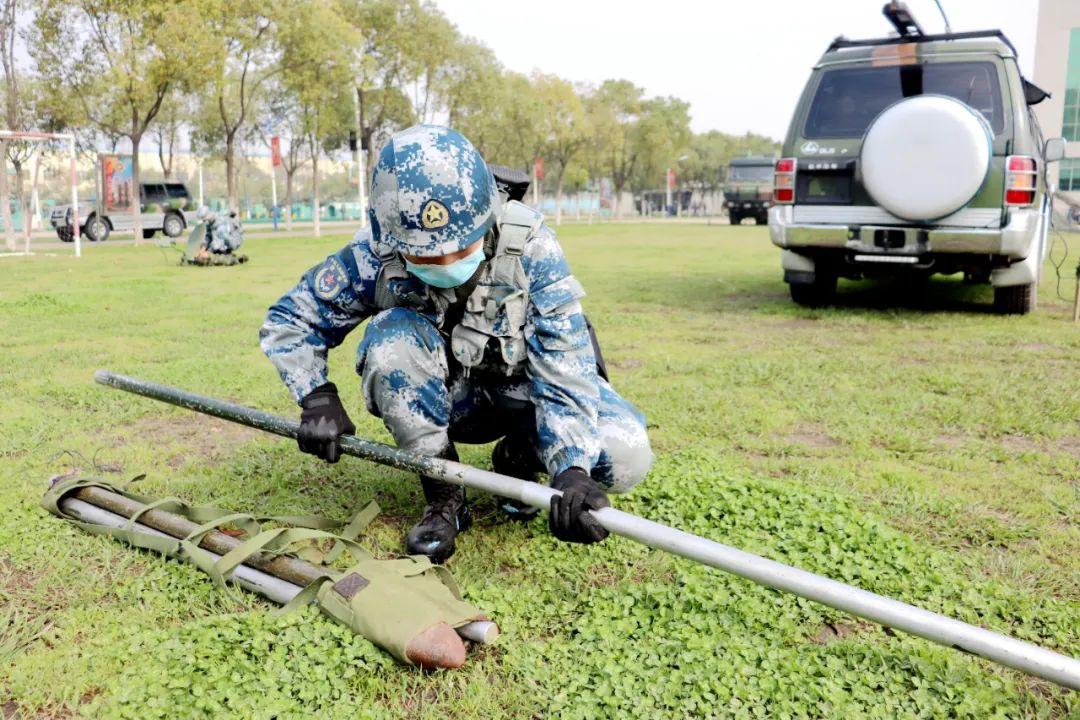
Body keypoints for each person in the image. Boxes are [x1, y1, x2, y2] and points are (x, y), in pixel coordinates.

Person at [260, 125, 653, 563]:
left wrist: (573, 467)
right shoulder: (376, 251)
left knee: (625, 455)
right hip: (453, 402)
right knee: (392, 341)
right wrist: (316, 397)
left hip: (526, 395)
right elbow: (291, 319)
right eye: (426, 255)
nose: (446, 262)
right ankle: (445, 497)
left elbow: (566, 364)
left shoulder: (532, 247)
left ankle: (519, 455)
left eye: (459, 246)